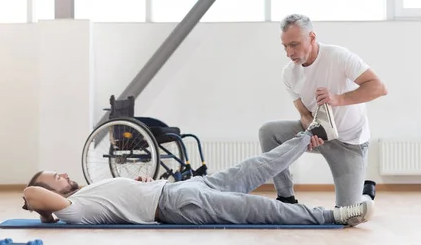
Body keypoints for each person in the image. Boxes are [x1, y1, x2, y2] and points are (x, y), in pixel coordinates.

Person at [22, 126, 374, 227]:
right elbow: (32, 195)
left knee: (257, 165)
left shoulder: (87, 192)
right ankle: (336, 215)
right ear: (46, 191)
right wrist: (35, 204)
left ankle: (311, 134)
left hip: (181, 188)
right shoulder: (75, 209)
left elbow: (121, 197)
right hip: (178, 204)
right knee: (254, 208)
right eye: (55, 176)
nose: (64, 174)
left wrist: (137, 185)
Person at [259, 14, 388, 208]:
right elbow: (303, 113)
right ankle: (286, 198)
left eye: (294, 44)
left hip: (350, 143)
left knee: (348, 214)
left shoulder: (339, 56)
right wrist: (311, 130)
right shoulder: (289, 73)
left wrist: (339, 99)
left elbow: (378, 87)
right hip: (320, 136)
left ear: (311, 37)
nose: (289, 52)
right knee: (268, 132)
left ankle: (366, 192)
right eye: (285, 46)